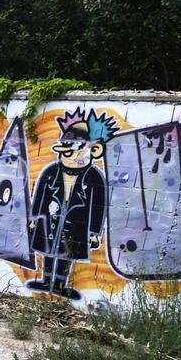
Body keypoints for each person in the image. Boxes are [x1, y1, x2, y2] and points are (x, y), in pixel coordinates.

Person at [27, 108, 118, 300]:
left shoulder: (93, 176)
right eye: (65, 152)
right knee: (49, 250)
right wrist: (34, 218)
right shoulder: (51, 171)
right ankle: (46, 280)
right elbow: (40, 196)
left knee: (67, 252)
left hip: (77, 224)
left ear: (94, 150)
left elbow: (98, 207)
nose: (68, 157)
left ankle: (60, 283)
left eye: (73, 151)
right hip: (50, 220)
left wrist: (94, 232)